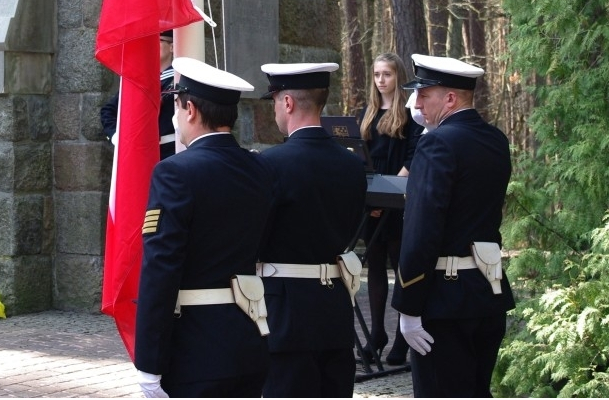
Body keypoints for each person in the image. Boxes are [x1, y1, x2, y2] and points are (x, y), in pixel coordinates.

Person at [134, 57, 274, 398]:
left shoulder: (175, 172)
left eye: (177, 107)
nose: (175, 117)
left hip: (193, 350)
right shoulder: (261, 169)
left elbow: (160, 268)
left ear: (191, 109)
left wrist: (149, 364)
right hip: (248, 338)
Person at [392, 54, 515, 398]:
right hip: (485, 293)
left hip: (444, 300)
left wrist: (408, 306)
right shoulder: (495, 140)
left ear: (449, 98)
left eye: (424, 95)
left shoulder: (437, 143)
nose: (415, 104)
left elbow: (421, 231)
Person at [256, 62, 366, 397]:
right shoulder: (352, 165)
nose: (275, 109)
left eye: (275, 100)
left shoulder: (270, 164)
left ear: (287, 103)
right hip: (334, 310)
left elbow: (256, 237)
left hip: (284, 315)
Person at [356, 52, 423, 365]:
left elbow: (412, 158)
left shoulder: (410, 116)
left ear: (399, 77)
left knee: (399, 266)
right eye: (377, 74)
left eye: (387, 74)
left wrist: (389, 193)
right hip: (372, 197)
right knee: (375, 264)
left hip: (398, 196)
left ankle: (401, 338)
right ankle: (376, 334)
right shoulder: (365, 113)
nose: (381, 80)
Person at [100, 31, 177, 159]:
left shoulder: (179, 79)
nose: (151, 46)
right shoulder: (139, 80)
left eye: (158, 40)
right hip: (139, 155)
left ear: (172, 47)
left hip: (171, 153)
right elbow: (109, 110)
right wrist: (116, 137)